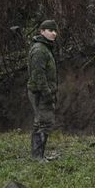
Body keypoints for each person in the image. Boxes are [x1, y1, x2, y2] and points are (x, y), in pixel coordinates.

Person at [27, 20, 59, 160]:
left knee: (41, 122)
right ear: (41, 31)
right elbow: (38, 75)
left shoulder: (45, 47)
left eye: (55, 31)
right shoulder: (40, 50)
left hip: (41, 91)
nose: (54, 33)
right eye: (50, 30)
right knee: (44, 122)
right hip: (40, 93)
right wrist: (47, 94)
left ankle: (38, 155)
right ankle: (37, 157)